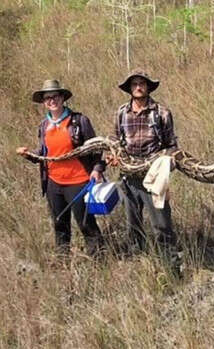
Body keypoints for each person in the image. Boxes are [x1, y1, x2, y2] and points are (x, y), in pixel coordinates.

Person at [16, 79, 105, 258]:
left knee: (85, 223)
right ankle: (63, 260)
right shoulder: (44, 126)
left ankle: (99, 260)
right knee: (59, 224)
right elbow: (44, 153)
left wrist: (97, 169)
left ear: (63, 98)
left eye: (55, 96)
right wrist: (29, 154)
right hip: (53, 183)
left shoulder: (79, 121)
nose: (51, 100)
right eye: (47, 98)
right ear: (43, 102)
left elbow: (96, 148)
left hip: (79, 182)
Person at [107, 69, 179, 274]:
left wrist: (165, 162)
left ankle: (172, 267)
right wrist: (113, 156)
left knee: (162, 224)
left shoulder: (161, 113)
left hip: (154, 176)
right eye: (134, 84)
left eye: (142, 83)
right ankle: (138, 267)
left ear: (147, 87)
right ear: (130, 88)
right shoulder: (121, 112)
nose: (138, 87)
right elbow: (114, 140)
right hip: (128, 178)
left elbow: (172, 146)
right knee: (133, 225)